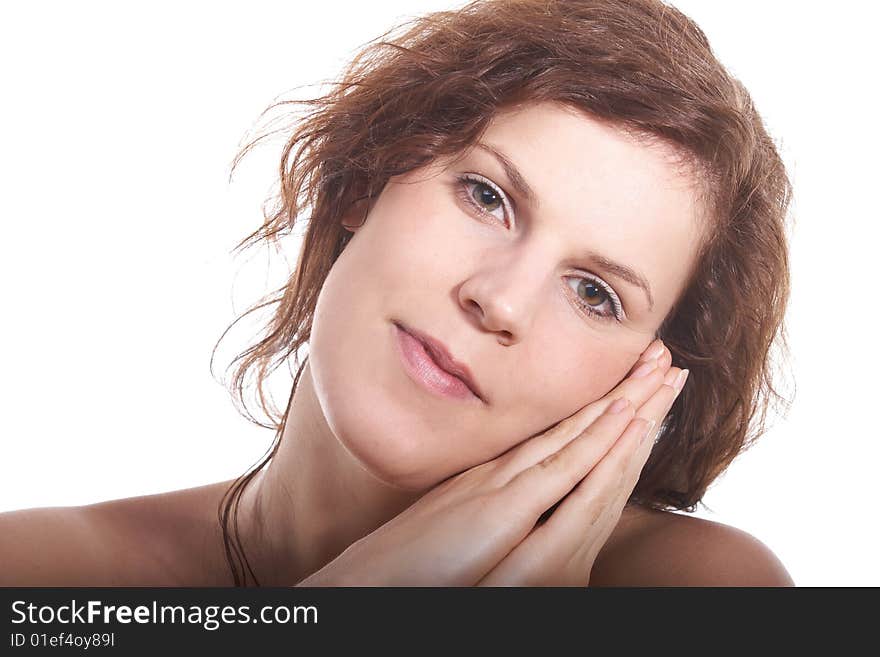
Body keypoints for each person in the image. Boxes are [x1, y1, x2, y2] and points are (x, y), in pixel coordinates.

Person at [0, 0, 795, 586]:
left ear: (646, 379)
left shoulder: (702, 586)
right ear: (365, 180)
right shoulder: (37, 575)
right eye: (487, 197)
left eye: (594, 292)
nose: (501, 301)